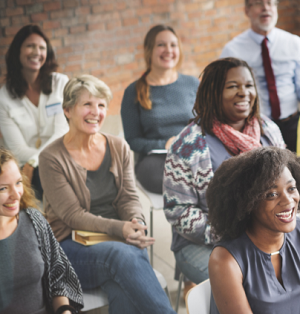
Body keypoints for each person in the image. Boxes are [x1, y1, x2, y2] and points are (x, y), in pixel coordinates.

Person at [39, 74, 176, 314]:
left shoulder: (117, 145)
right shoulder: (51, 157)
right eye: (87, 104)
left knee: (121, 284)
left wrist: (136, 223)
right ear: (68, 110)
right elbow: (73, 215)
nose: (96, 111)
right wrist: (120, 229)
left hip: (116, 241)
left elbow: (128, 197)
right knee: (123, 254)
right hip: (69, 246)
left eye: (101, 105)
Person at [163, 57, 285, 286]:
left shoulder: (268, 131)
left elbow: (289, 185)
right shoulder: (187, 146)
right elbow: (177, 210)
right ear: (212, 93)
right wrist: (236, 233)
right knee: (254, 286)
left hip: (269, 235)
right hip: (207, 243)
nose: (243, 93)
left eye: (248, 86)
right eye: (232, 86)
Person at [208, 147, 300, 314]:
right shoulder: (225, 260)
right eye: (271, 194)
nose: (288, 201)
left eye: (291, 188)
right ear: (247, 204)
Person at [0, 147, 83, 314]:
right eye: (3, 188)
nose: (16, 194)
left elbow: (58, 276)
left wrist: (64, 311)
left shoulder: (34, 221)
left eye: (18, 183)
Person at [121, 24, 199, 194]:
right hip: (155, 160)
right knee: (179, 181)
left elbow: (206, 124)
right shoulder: (133, 91)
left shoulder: (192, 84)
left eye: (173, 45)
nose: (168, 50)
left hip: (193, 153)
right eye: (161, 45)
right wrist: (165, 144)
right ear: (149, 50)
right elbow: (133, 140)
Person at [220, 0, 300, 152]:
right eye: (258, 3)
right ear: (247, 10)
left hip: (293, 124)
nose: (266, 8)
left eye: (270, 3)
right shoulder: (232, 50)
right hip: (255, 128)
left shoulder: (295, 44)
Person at [0, 24, 69, 200]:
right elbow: (17, 149)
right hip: (24, 166)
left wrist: (34, 161)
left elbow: (62, 132)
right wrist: (33, 163)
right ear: (17, 51)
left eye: (42, 48)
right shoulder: (3, 96)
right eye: (30, 46)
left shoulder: (60, 83)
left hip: (56, 159)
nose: (36, 52)